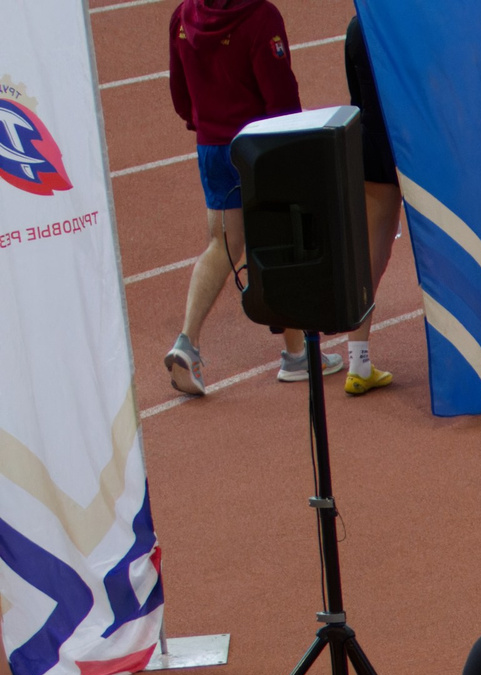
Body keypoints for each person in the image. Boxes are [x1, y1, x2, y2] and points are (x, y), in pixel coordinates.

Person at [163, 0, 342, 395]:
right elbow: (280, 97)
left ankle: (187, 342)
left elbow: (179, 93)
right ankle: (297, 357)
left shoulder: (184, 15)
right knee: (280, 239)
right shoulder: (261, 17)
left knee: (222, 244)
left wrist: (204, 124)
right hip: (259, 147)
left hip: (211, 148)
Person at [339, 13, 401, 397]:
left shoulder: (357, 26)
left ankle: (358, 361)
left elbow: (355, 98)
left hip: (372, 144)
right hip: (415, 146)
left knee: (371, 256)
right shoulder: (409, 23)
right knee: (445, 243)